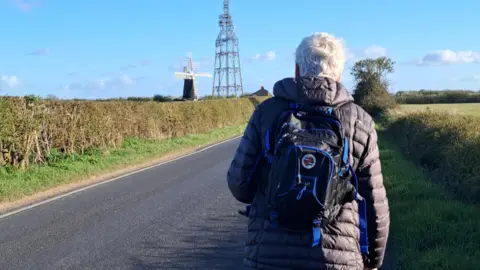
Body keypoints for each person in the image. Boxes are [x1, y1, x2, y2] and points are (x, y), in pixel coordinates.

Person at [226, 32, 390, 270]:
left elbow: (239, 185)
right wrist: (373, 260)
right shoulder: (359, 121)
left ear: (297, 70)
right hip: (337, 261)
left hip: (269, 256)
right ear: (339, 73)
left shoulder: (267, 113)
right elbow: (374, 202)